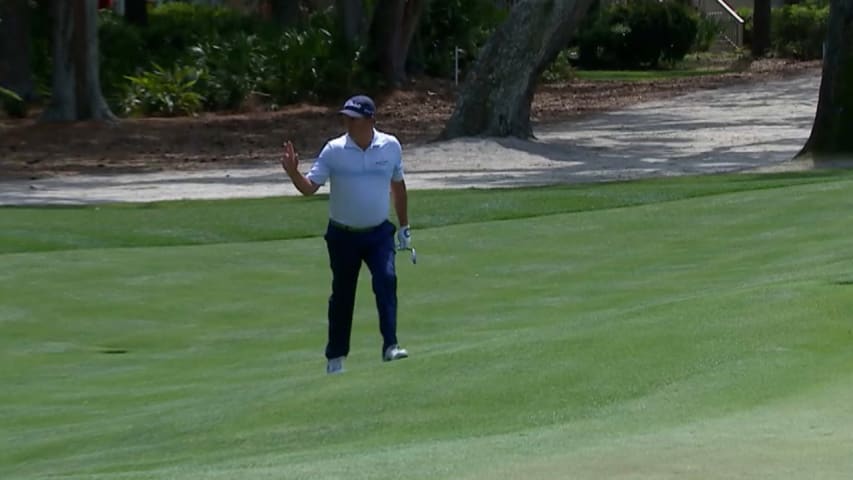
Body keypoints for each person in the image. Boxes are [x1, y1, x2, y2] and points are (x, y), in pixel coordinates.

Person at [280, 95, 411, 374]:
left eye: (354, 119)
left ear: (370, 120)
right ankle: (335, 357)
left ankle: (391, 345)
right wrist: (293, 173)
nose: (348, 123)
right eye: (345, 118)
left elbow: (398, 186)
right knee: (342, 294)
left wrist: (404, 227)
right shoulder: (334, 150)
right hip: (343, 235)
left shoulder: (390, 146)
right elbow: (309, 188)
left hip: (378, 233)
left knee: (386, 280)